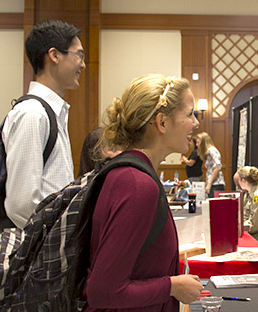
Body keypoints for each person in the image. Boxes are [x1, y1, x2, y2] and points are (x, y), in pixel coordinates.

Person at [83, 74, 203, 311]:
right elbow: (103, 291)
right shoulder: (137, 184)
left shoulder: (134, 176)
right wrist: (172, 286)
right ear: (162, 122)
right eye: (190, 114)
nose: (196, 123)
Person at [3, 19, 85, 229]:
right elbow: (20, 205)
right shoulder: (32, 114)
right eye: (79, 55)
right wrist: (56, 238)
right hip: (44, 249)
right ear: (54, 55)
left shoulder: (51, 111)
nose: (83, 65)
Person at [197, 132, 225, 198]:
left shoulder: (211, 150)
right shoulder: (208, 152)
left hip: (216, 184)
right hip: (213, 184)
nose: (197, 145)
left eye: (198, 142)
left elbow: (218, 167)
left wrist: (209, 183)